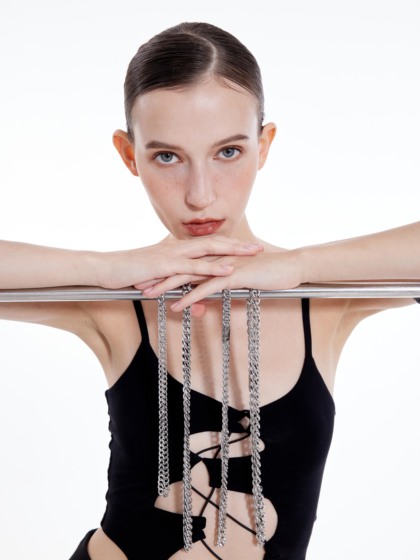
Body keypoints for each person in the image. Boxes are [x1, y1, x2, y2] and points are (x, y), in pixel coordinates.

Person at [0, 21, 419, 560]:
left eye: (228, 152)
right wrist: (104, 267)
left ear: (263, 145)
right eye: (167, 157)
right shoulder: (115, 302)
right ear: (129, 155)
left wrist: (300, 265)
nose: (200, 195)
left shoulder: (323, 298)